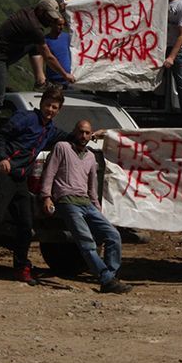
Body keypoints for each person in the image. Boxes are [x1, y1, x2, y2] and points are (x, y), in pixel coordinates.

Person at [0, 85, 71, 283]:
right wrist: (2, 158)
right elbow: (0, 136)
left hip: (20, 178)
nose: (50, 110)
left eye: (54, 107)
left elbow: (69, 137)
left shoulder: (50, 130)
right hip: (3, 172)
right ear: (42, 103)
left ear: (59, 110)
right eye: (48, 105)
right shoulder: (26, 118)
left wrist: (90, 135)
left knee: (25, 224)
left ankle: (21, 267)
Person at [39, 119, 132, 294]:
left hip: (87, 203)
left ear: (91, 135)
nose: (83, 136)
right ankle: (106, 279)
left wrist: (98, 211)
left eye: (87, 133)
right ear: (74, 132)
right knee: (86, 240)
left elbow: (91, 188)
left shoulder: (90, 157)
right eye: (80, 132)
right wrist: (46, 197)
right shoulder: (62, 147)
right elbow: (49, 173)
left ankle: (109, 277)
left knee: (113, 235)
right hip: (67, 201)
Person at [0, 0, 75, 145]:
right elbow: (48, 57)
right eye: (48, 17)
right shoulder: (33, 27)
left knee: (34, 44)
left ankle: (40, 80)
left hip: (5, 52)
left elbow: (48, 9)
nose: (50, 21)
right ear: (40, 12)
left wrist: (62, 8)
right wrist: (65, 75)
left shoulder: (30, 12)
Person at [31, 16, 72, 88]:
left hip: (69, 79)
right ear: (52, 24)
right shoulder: (45, 41)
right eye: (59, 25)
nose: (61, 27)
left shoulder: (67, 37)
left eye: (63, 24)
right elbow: (40, 58)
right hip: (54, 80)